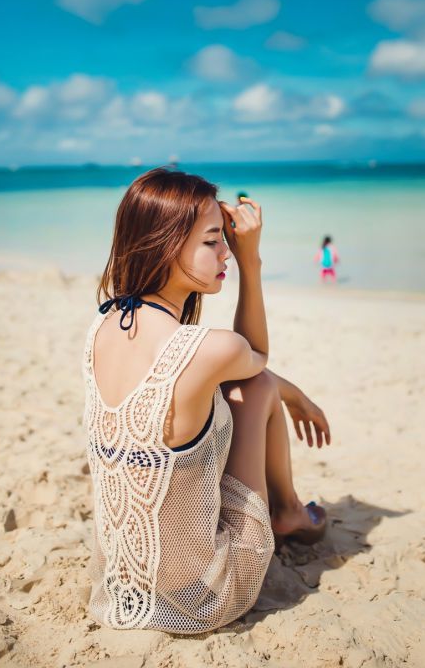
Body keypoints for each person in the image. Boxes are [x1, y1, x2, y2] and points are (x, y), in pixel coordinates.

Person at [82, 167, 331, 633]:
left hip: (124, 586)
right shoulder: (206, 348)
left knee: (230, 384)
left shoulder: (103, 326)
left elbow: (221, 363)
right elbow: (255, 358)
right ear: (165, 243)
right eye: (213, 241)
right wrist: (253, 260)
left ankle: (289, 511)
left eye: (227, 242)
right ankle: (289, 511)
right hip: (202, 596)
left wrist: (293, 393)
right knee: (256, 385)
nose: (227, 255)